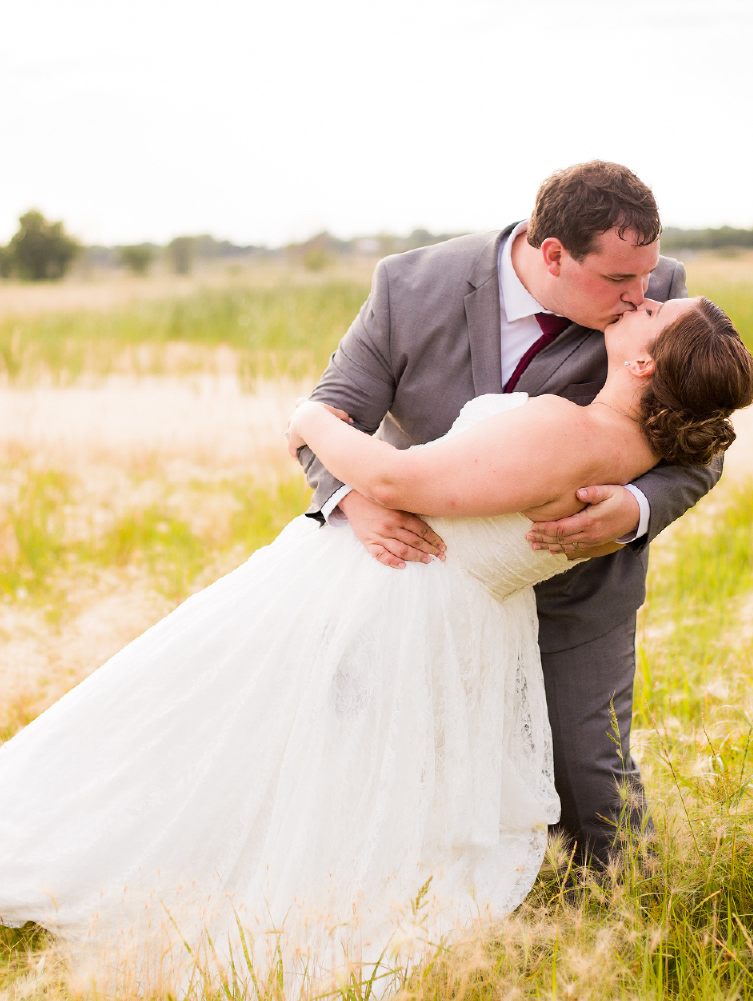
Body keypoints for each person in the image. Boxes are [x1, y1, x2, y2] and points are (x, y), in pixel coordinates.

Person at [0, 290, 753, 998]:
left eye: (653, 311)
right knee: (322, 770)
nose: (642, 298)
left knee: (206, 721)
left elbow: (397, 481)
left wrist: (310, 419)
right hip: (453, 610)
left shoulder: (569, 431)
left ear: (645, 365)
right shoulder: (639, 444)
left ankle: (148, 884)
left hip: (388, 592)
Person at [297, 160, 722, 871]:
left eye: (645, 276)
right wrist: (355, 501)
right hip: (421, 580)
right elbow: (334, 409)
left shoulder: (662, 299)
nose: (637, 295)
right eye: (618, 281)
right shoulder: (408, 286)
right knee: (382, 755)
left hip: (577, 591)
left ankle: (632, 929)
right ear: (550, 251)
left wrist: (636, 507)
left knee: (592, 780)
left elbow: (703, 444)